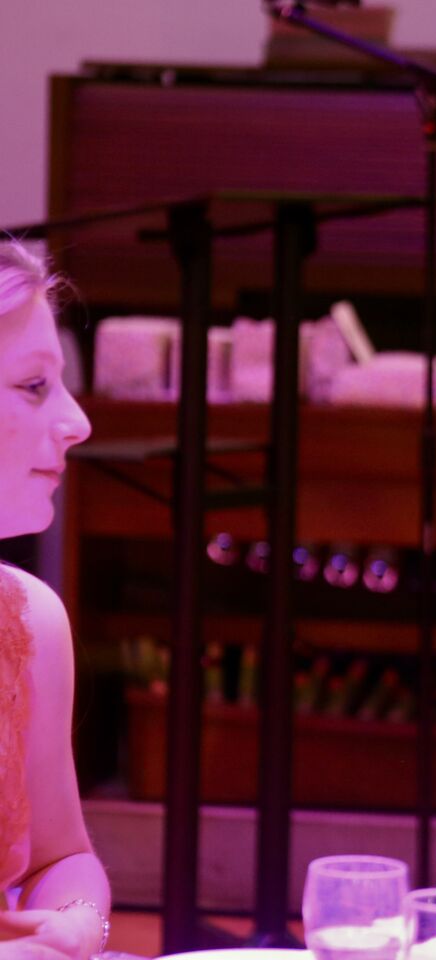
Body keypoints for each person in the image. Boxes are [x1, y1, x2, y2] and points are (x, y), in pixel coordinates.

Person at [0, 240, 110, 958]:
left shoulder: (28, 623)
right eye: (35, 385)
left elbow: (62, 859)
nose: (78, 422)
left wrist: (76, 926)